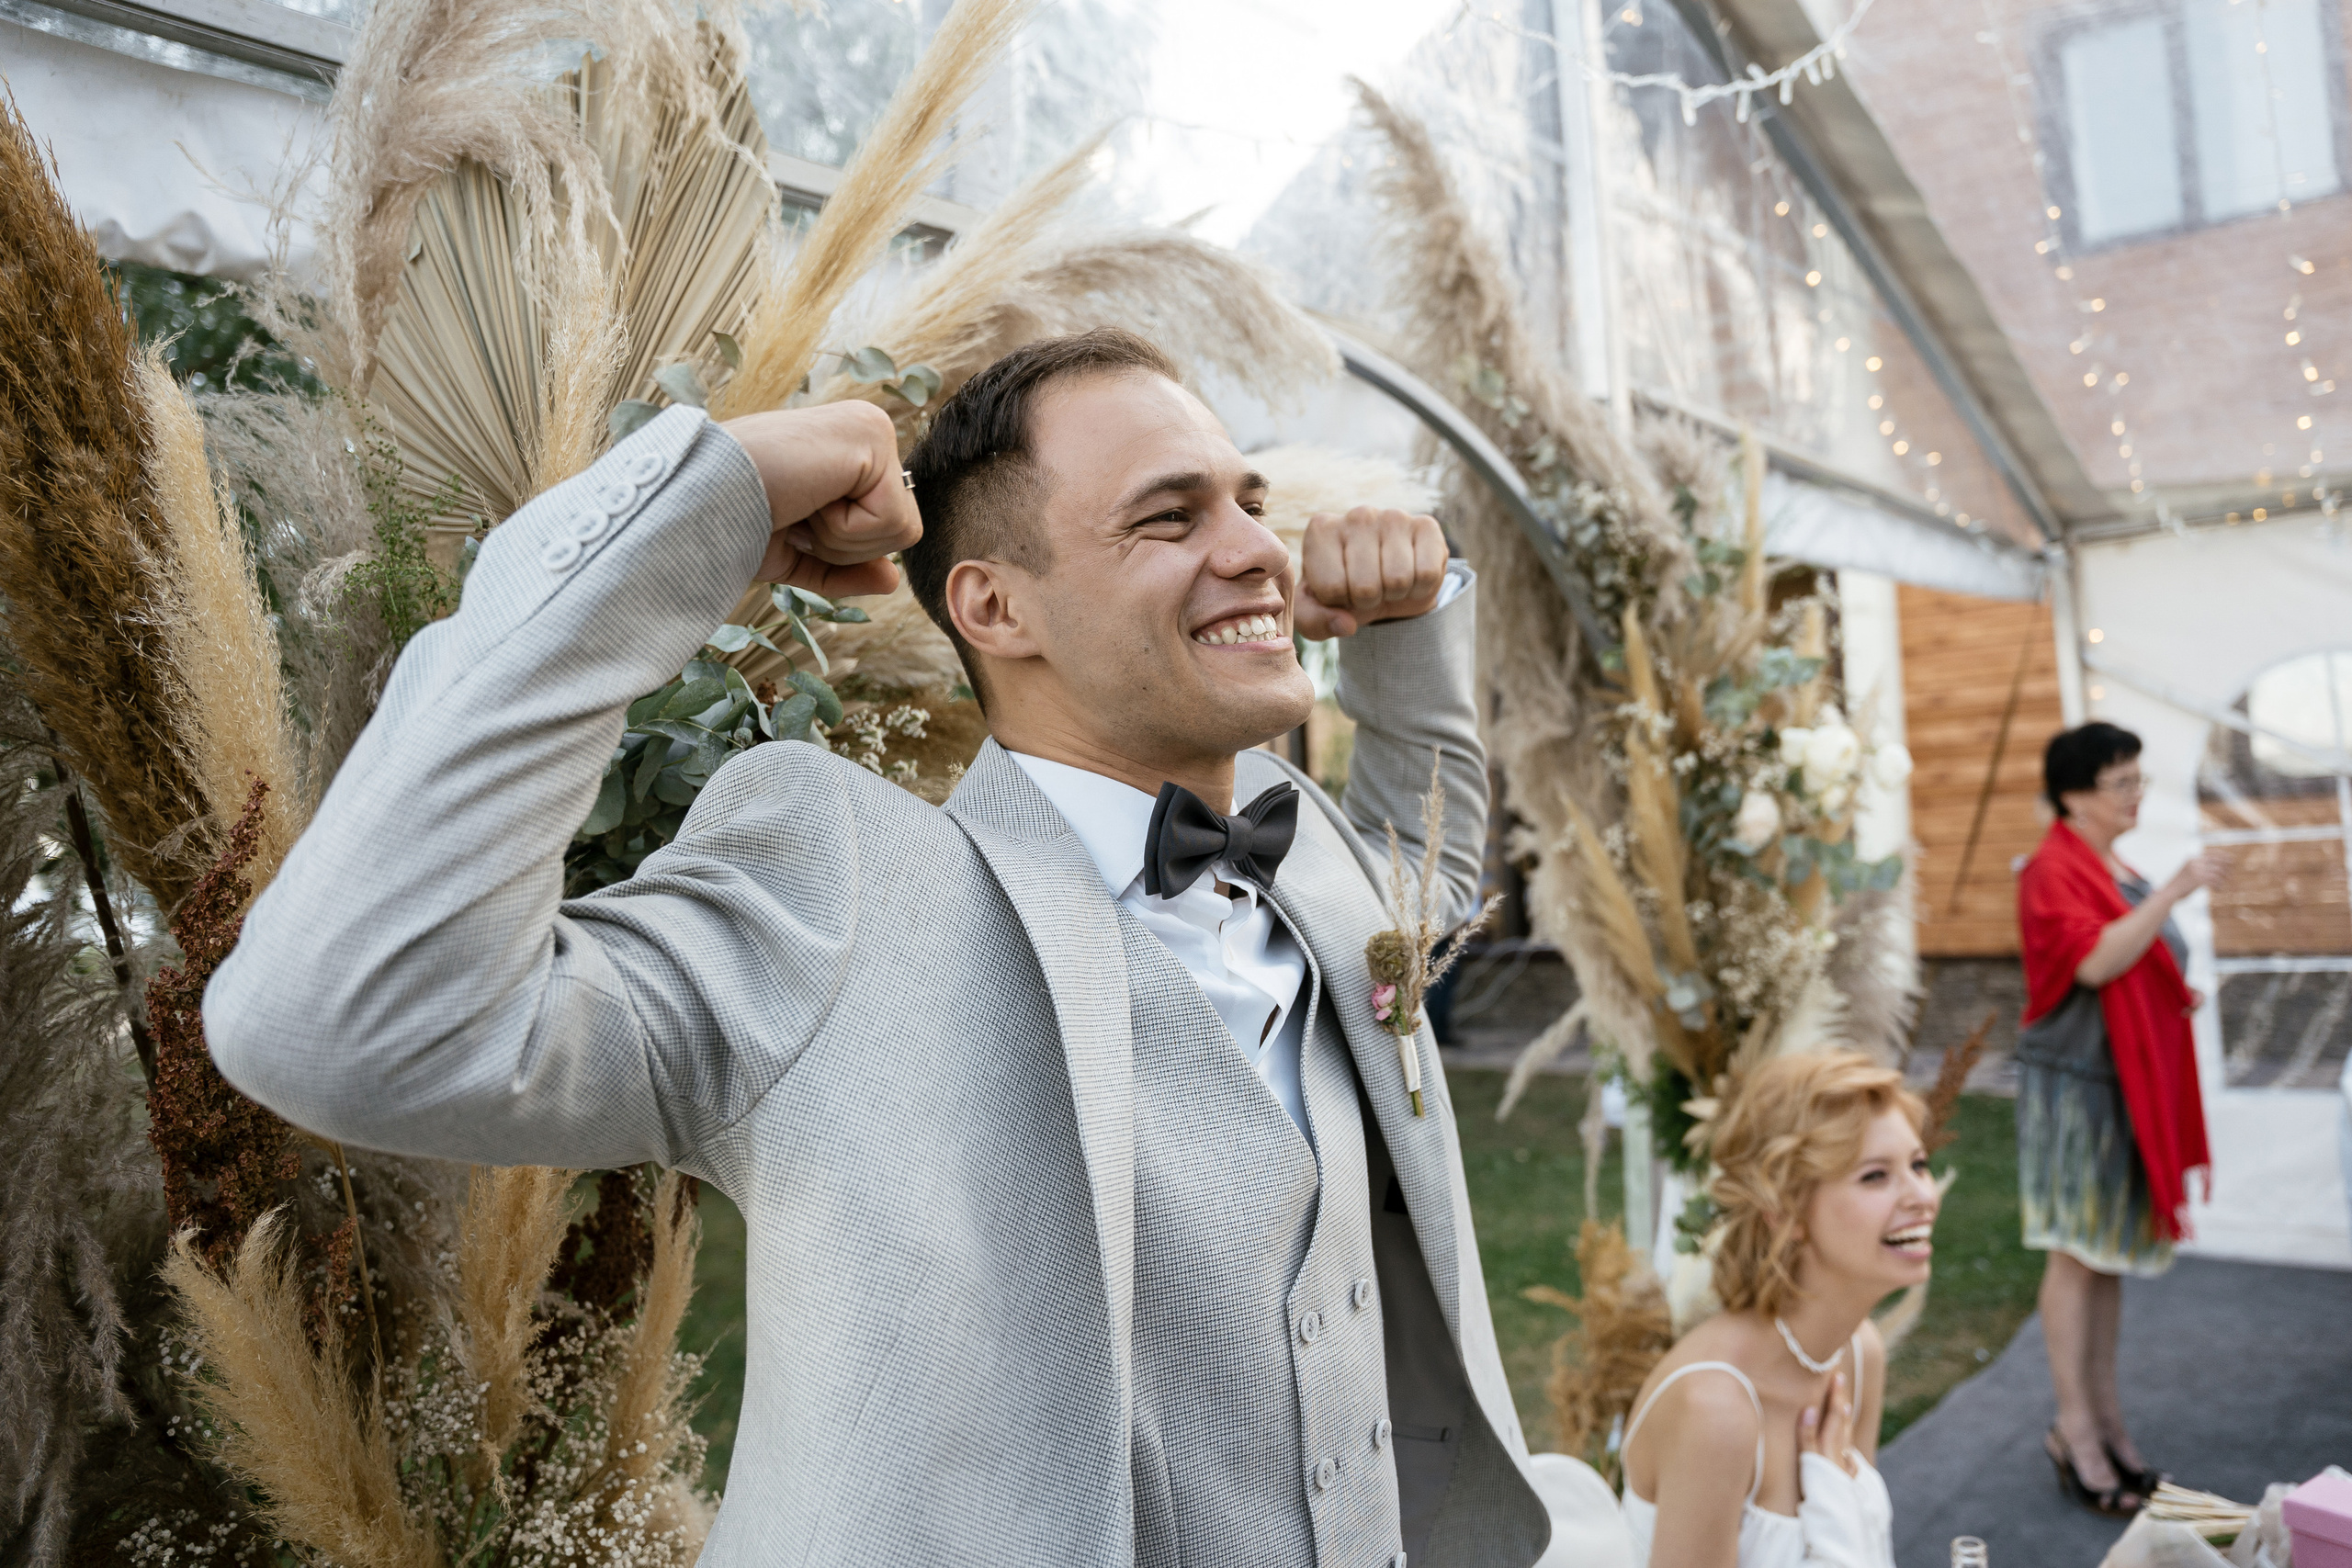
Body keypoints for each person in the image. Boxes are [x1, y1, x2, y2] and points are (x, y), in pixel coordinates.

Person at [205, 329, 1564, 1564]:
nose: (1259, 549)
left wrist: (1411, 627)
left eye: (1249, 502)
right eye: (1171, 516)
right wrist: (698, 506)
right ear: (994, 608)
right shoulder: (837, 886)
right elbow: (337, 1021)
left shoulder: (1307, 850)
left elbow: (1426, 871)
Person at [2015, 721, 2224, 1517]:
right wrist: (2174, 891)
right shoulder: (2050, 871)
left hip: (2118, 1085)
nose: (2137, 794)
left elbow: (2141, 960)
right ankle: (2075, 1428)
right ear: (2074, 796)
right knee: (2076, 1256)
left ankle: (2105, 1420)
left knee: (2105, 1259)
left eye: (2139, 779)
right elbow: (2097, 960)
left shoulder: (2115, 866)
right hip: (2075, 1093)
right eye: (2122, 782)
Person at [1618, 1050, 1937, 1568]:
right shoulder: (1715, 1412)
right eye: (1876, 1176)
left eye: (1918, 1164)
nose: (1922, 1195)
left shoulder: (1858, 1355)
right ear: (1786, 1210)